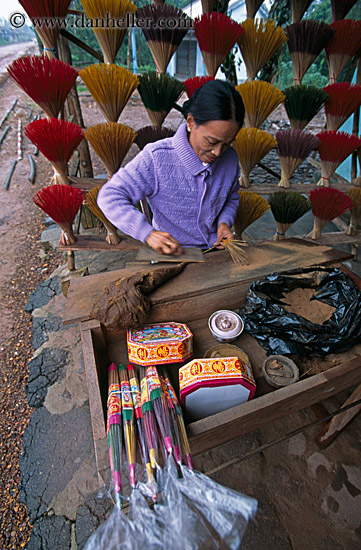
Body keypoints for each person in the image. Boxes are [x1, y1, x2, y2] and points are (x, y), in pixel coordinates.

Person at [97, 79, 245, 255]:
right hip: (172, 254)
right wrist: (148, 233)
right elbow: (109, 196)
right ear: (190, 122)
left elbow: (231, 198)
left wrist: (224, 223)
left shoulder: (230, 159)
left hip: (215, 250)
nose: (218, 152)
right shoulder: (157, 158)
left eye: (227, 144)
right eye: (211, 141)